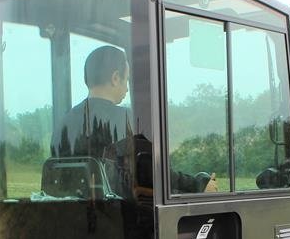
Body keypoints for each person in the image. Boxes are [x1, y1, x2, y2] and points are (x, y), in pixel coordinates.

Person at [51, 45, 217, 194]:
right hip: (120, 219)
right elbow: (155, 174)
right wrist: (198, 185)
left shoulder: (63, 124)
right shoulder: (126, 119)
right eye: (127, 80)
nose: (127, 88)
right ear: (116, 78)